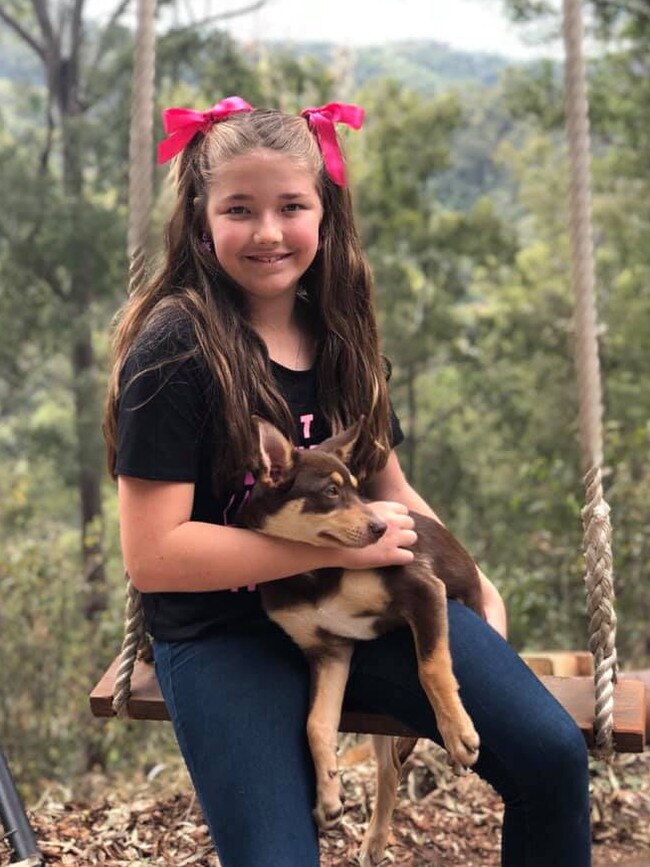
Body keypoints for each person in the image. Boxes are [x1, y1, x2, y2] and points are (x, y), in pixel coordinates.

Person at [103, 97, 591, 867]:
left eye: (291, 206)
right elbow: (156, 555)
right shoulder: (176, 351)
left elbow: (387, 484)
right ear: (201, 220)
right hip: (224, 633)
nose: (268, 232)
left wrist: (475, 581)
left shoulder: (339, 332)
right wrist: (334, 552)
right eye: (240, 208)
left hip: (361, 601)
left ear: (323, 214)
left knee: (552, 757)